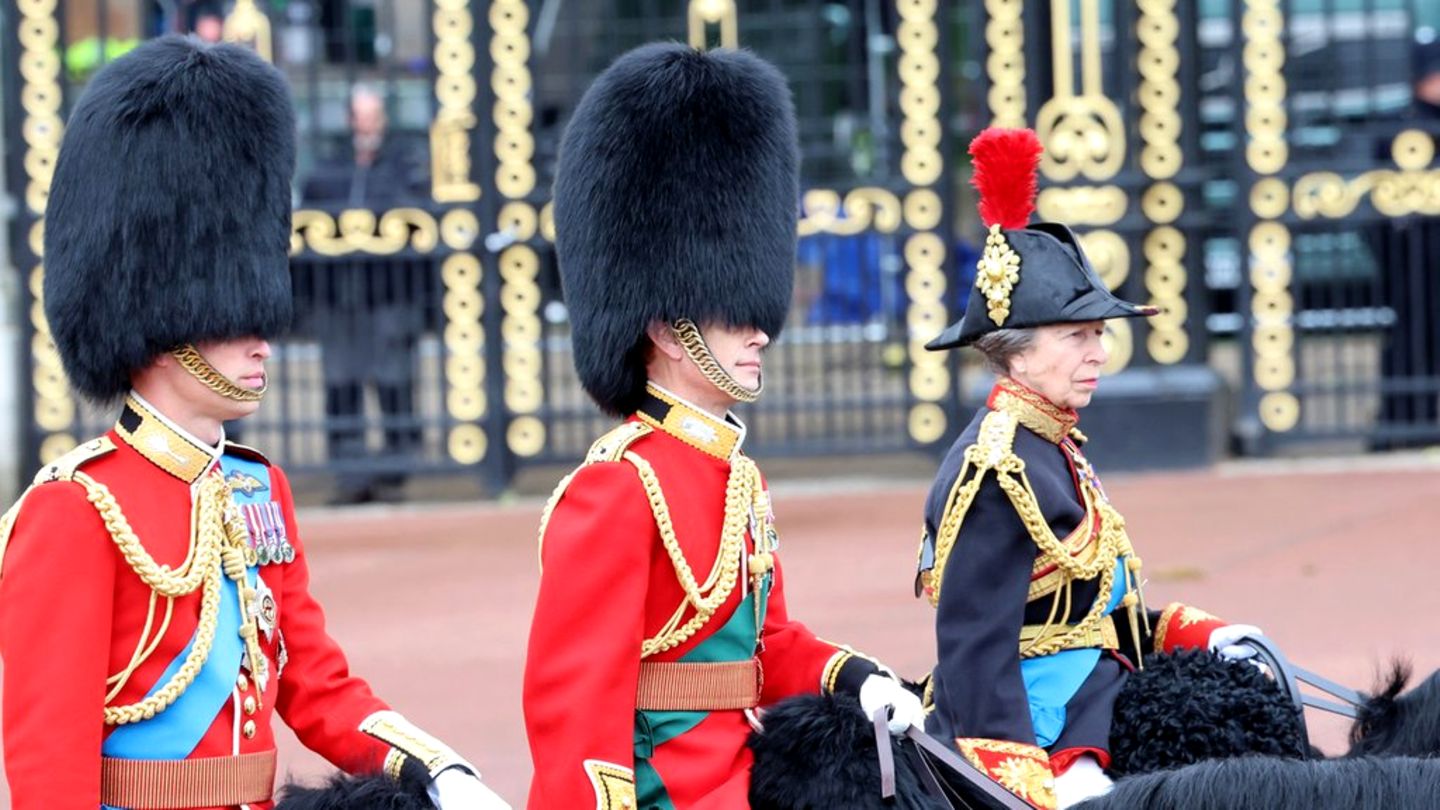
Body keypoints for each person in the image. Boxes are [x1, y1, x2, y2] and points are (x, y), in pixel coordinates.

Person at [0, 37, 507, 810]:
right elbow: (50, 769)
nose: (262, 335)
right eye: (230, 318)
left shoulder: (254, 487)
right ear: (163, 322)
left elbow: (319, 686)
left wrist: (435, 767)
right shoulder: (74, 508)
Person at [523, 43, 923, 809]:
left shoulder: (737, 474)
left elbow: (766, 649)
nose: (761, 333)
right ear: (671, 332)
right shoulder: (618, 486)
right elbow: (574, 712)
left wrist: (860, 677)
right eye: (735, 317)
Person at [913, 128, 1261, 810]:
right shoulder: (998, 466)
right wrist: (1024, 789)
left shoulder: (1052, 442)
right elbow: (977, 656)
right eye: (1077, 336)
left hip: (1098, 708)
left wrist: (1203, 635)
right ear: (1013, 354)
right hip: (1045, 744)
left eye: (1100, 334)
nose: (1098, 352)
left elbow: (1091, 613)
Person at [300, 84, 429, 504]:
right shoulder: (330, 167)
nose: (369, 125)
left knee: (394, 380)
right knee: (342, 383)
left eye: (375, 116)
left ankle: (396, 467)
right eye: (362, 116)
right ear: (351, 120)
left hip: (389, 292)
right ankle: (350, 472)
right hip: (340, 298)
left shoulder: (403, 163)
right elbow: (314, 203)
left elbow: (415, 211)